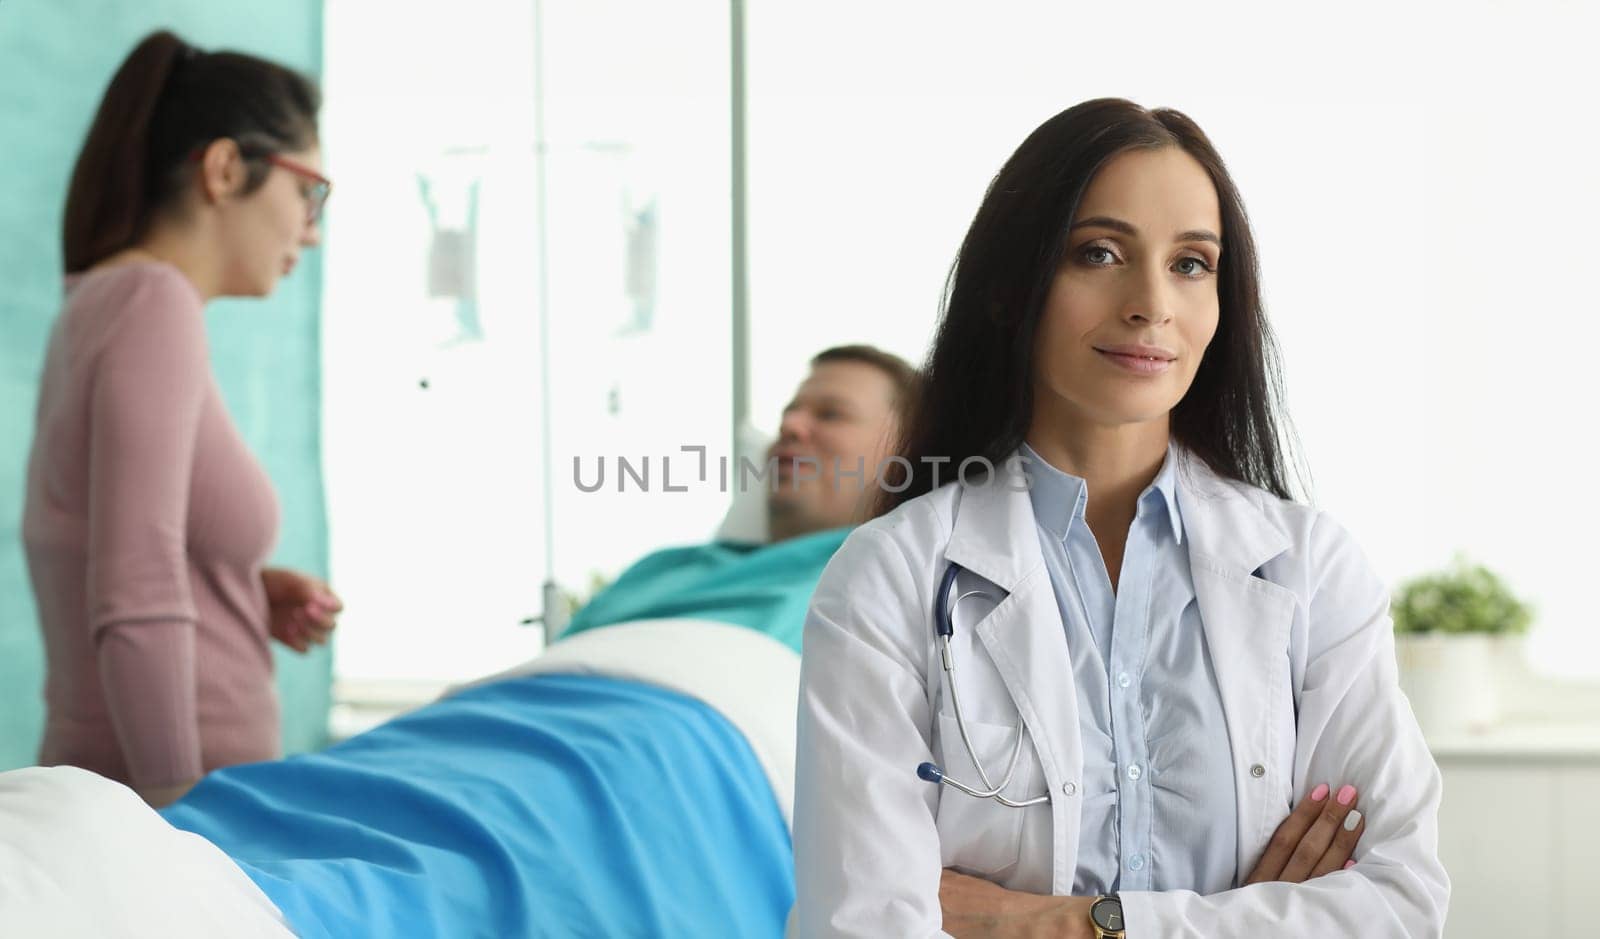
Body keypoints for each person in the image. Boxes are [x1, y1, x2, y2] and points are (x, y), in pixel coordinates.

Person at [790, 99, 1449, 938]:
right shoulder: (889, 576)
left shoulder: (1311, 571)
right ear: (1007, 288)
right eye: (1098, 253)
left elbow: (1398, 904)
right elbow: (864, 923)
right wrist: (1246, 916)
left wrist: (1065, 922)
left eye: (1191, 264)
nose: (1150, 304)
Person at [22, 31, 341, 809]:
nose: (312, 229)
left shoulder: (100, 302)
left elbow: (104, 543)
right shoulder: (151, 303)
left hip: (133, 809)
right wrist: (179, 813)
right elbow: (134, 586)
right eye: (310, 192)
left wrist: (235, 584)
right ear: (227, 168)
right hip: (167, 814)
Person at [559, 344, 918, 653]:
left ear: (902, 454)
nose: (790, 426)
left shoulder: (894, 583)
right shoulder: (660, 569)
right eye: (789, 414)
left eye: (831, 414)